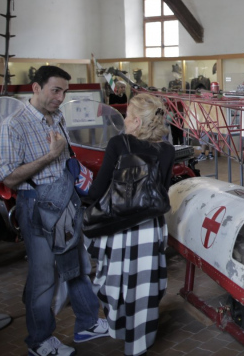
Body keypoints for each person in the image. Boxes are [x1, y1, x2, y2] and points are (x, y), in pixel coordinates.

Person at [0, 66, 109, 356]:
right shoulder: (13, 125)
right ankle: (39, 341)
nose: (60, 98)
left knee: (76, 266)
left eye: (64, 92)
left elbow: (64, 160)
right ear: (36, 88)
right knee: (43, 277)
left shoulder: (57, 117)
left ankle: (87, 323)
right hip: (36, 206)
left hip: (65, 202)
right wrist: (50, 156)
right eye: (55, 90)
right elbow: (8, 177)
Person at [87, 93, 174, 356]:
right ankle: (139, 342)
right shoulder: (167, 150)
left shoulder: (118, 143)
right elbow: (162, 190)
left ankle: (120, 326)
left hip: (119, 226)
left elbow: (98, 190)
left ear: (136, 121)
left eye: (127, 116)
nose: (124, 120)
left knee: (116, 280)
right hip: (149, 226)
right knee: (145, 284)